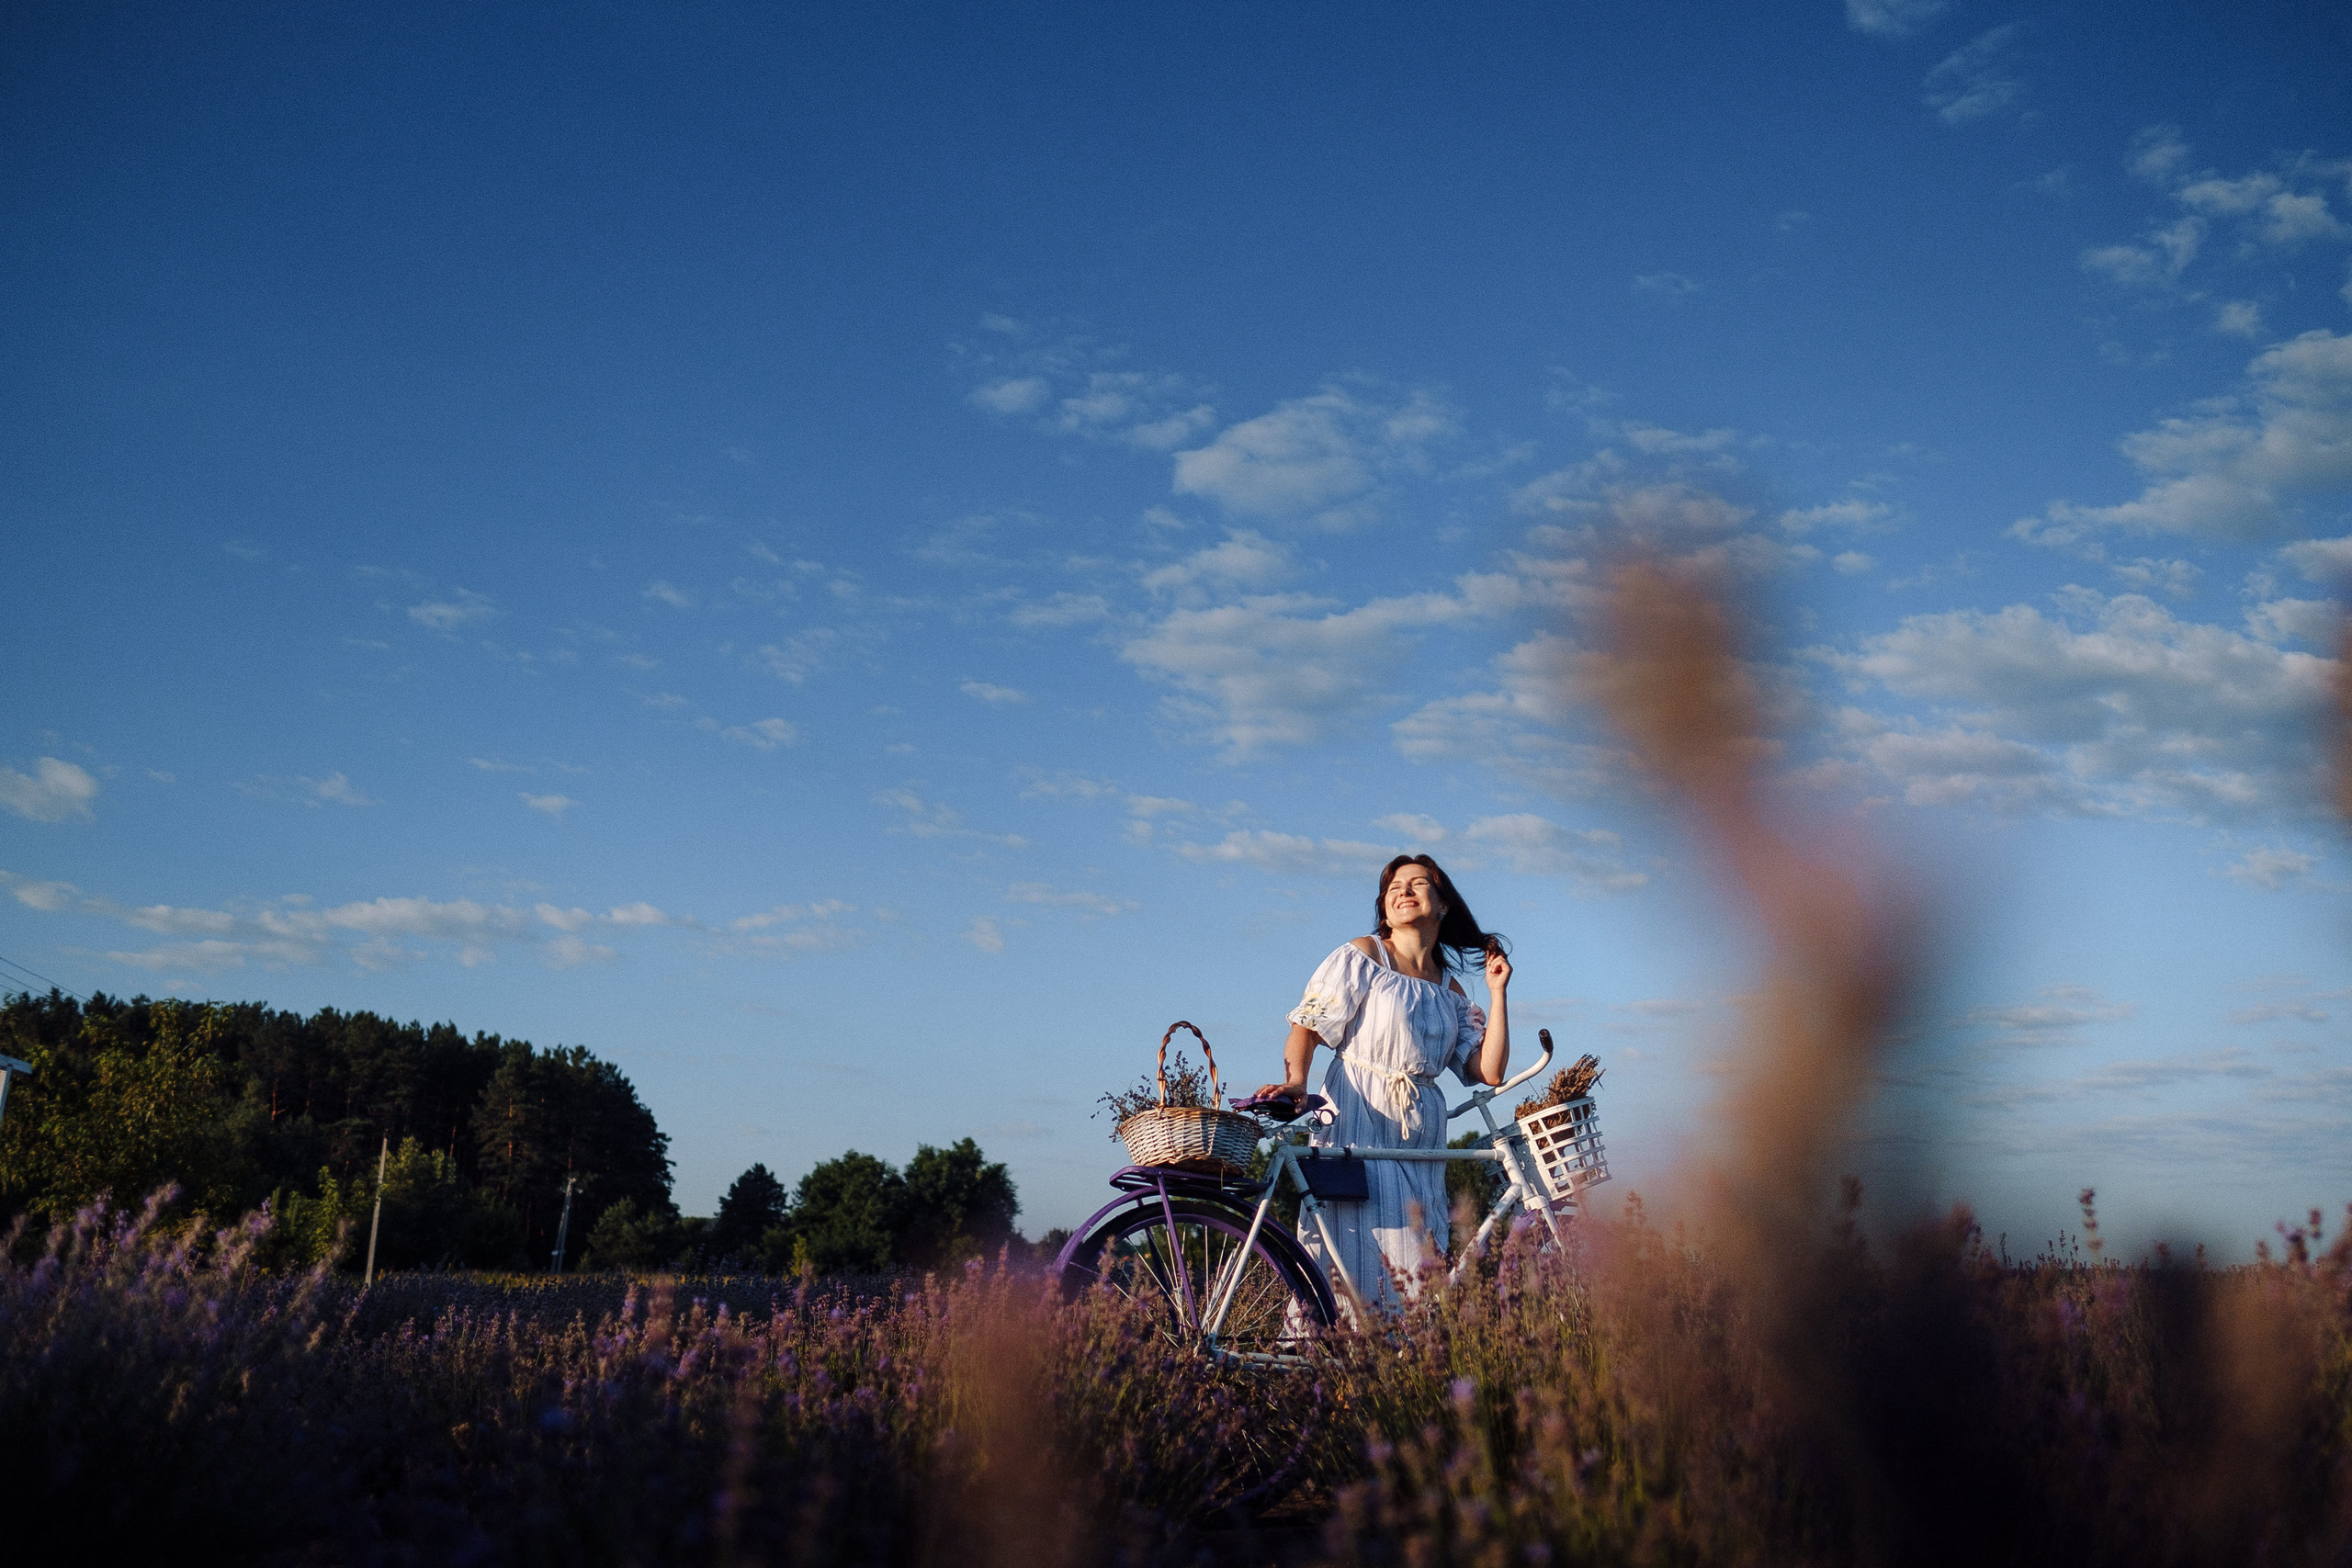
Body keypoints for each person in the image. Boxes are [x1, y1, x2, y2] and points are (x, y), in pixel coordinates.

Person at [1254, 853, 1510, 1310]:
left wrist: (1497, 993)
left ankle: (1395, 1366)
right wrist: (1296, 1082)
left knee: (1419, 1256)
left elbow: (1485, 1071)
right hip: (1359, 1111)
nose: (1403, 892)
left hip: (1421, 1133)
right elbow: (1308, 1026)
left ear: (1444, 904)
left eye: (1416, 883)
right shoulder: (1364, 956)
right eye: (1394, 887)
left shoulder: (1450, 988)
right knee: (1353, 1245)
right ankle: (1335, 1358)